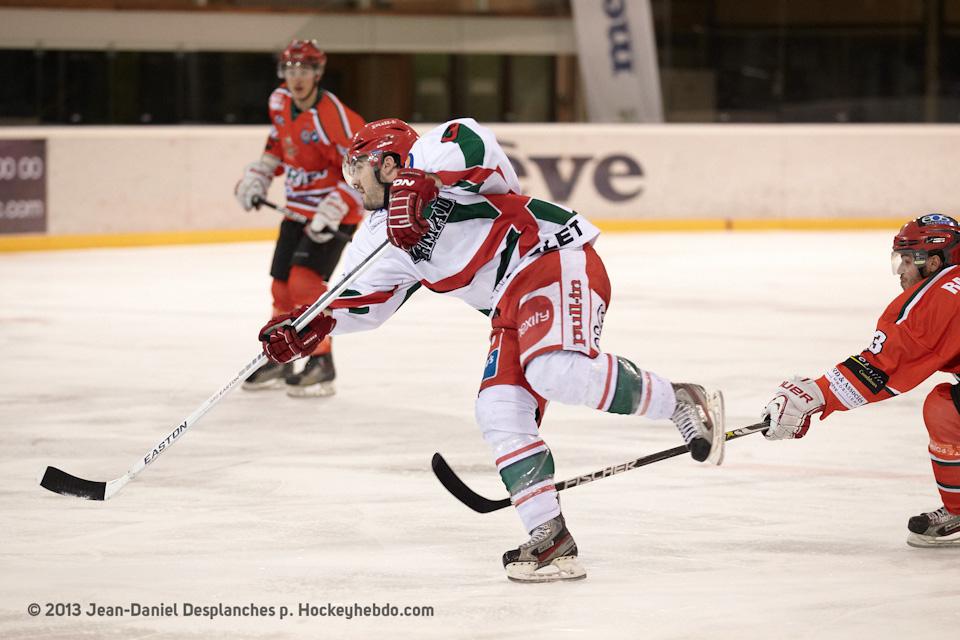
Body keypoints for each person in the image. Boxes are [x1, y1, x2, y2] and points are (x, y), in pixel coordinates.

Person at [256, 117, 726, 582]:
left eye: (357, 166)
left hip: (551, 258)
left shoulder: (436, 156)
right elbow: (364, 301)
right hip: (509, 306)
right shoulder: (376, 237)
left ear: (389, 162)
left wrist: (423, 181)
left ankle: (679, 399)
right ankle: (550, 535)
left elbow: (473, 141)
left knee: (554, 371)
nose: (352, 180)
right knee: (498, 408)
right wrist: (310, 324)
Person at [761, 213, 960, 548]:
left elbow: (886, 364)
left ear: (933, 262)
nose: (901, 271)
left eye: (908, 260)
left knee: (946, 411)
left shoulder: (941, 295)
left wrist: (816, 395)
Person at [234, 39, 365, 397]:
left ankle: (321, 362)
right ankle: (281, 356)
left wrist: (336, 205)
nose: (297, 77)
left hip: (333, 213)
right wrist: (260, 174)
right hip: (297, 209)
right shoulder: (279, 101)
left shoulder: (335, 117)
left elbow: (363, 168)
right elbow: (278, 142)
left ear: (318, 73)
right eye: (291, 69)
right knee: (281, 286)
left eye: (305, 69)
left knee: (305, 285)